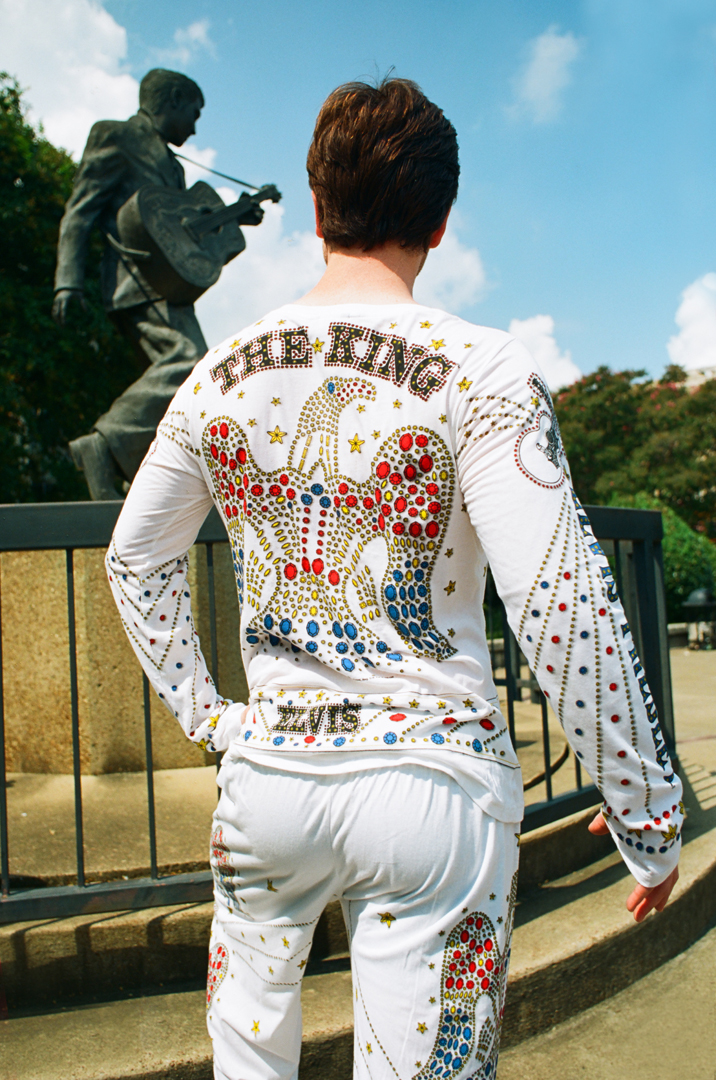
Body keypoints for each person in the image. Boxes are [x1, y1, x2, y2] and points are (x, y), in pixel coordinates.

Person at [106, 78, 682, 1080]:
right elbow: (559, 601)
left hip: (267, 784)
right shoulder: (481, 368)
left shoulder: (217, 374)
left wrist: (213, 719)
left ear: (315, 205)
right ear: (441, 220)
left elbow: (134, 559)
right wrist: (645, 809)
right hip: (435, 788)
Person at [53, 69, 212, 499]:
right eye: (194, 113)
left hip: (168, 285)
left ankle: (130, 471)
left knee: (183, 385)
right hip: (136, 281)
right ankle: (104, 446)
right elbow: (79, 211)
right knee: (191, 365)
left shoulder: (174, 168)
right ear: (173, 98)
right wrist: (68, 281)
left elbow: (180, 231)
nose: (195, 128)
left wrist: (234, 219)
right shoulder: (115, 136)